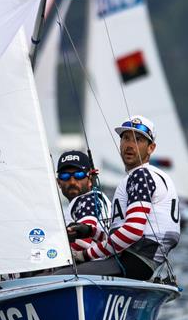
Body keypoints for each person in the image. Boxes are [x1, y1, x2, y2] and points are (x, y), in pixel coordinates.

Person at [55, 115, 181, 281]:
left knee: (58, 277)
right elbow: (123, 237)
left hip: (136, 261)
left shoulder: (140, 176)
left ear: (151, 148)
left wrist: (85, 255)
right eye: (126, 138)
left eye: (138, 140)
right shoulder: (150, 175)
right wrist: (90, 231)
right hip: (139, 260)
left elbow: (133, 232)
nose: (130, 145)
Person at [54, 150, 110, 263]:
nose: (72, 182)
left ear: (90, 179)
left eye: (79, 175)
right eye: (65, 176)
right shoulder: (95, 199)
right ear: (58, 182)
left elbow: (85, 238)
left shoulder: (88, 200)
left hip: (92, 271)